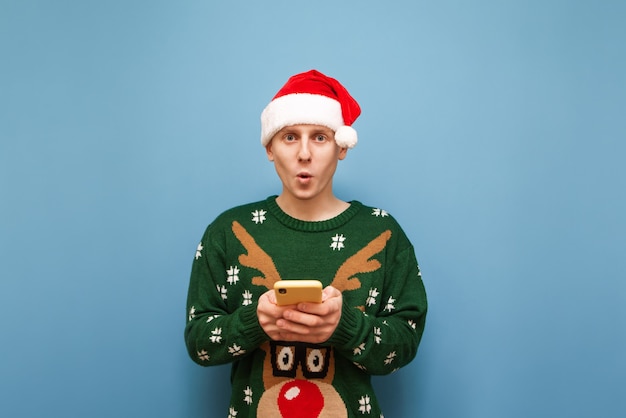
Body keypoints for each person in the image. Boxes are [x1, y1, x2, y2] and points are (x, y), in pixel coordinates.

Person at [185, 69, 427, 417]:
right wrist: (255, 322)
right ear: (269, 147)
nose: (304, 154)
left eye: (319, 137)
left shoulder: (382, 232)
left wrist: (345, 328)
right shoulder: (228, 231)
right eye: (289, 137)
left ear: (341, 147)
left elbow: (404, 343)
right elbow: (198, 343)